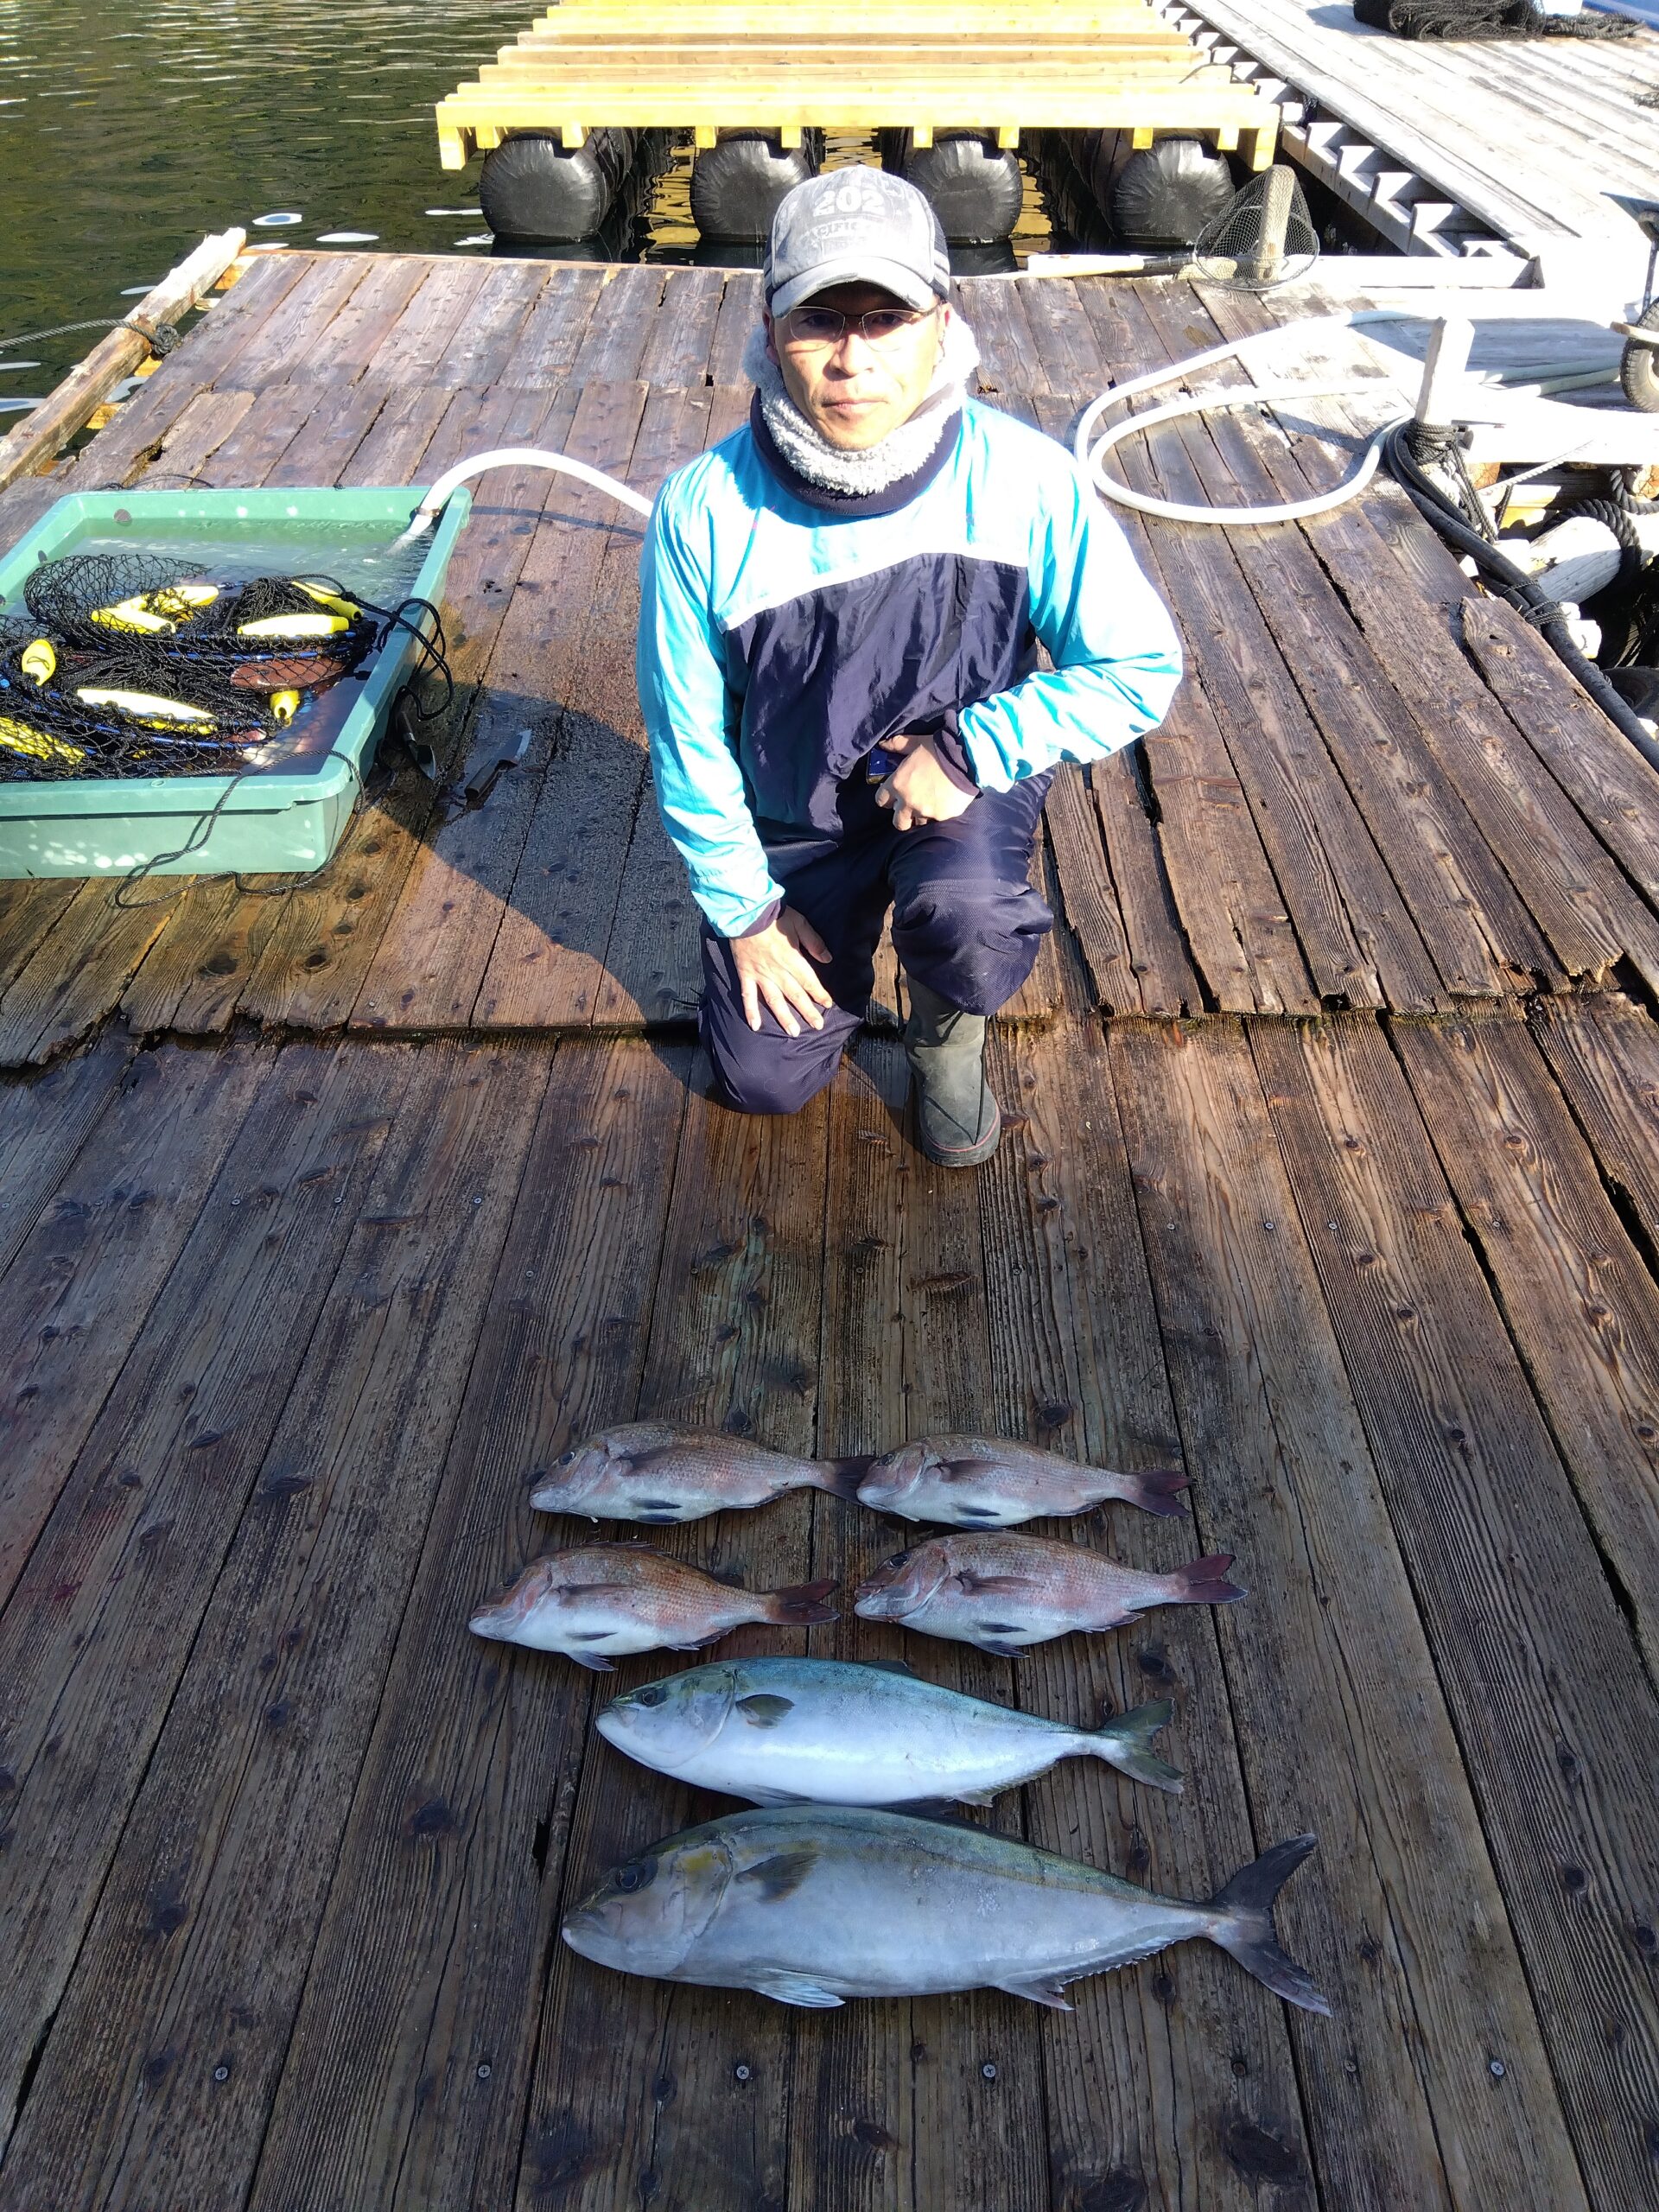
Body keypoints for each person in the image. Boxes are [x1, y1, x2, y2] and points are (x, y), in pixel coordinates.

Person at [636, 168, 1181, 1166]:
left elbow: (1138, 667)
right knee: (761, 1078)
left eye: (886, 318)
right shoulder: (700, 510)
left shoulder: (1027, 478)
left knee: (967, 917)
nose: (853, 358)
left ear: (943, 322)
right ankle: (808, 941)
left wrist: (975, 748)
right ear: (769, 326)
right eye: (820, 319)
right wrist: (745, 910)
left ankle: (945, 1037)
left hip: (957, 790)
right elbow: (688, 740)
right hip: (796, 809)